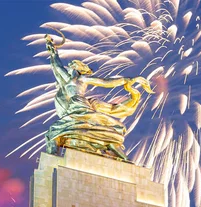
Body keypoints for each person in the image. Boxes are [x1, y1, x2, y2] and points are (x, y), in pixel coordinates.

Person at [44, 29, 154, 160]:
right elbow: (57, 67)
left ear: (78, 68)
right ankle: (54, 157)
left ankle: (111, 149)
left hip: (81, 107)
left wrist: (127, 80)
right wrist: (53, 51)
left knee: (63, 129)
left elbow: (106, 82)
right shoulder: (67, 80)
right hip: (71, 109)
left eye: (73, 65)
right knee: (56, 131)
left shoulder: (82, 79)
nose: (70, 66)